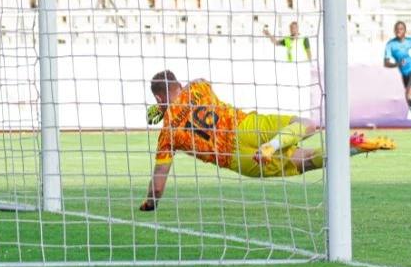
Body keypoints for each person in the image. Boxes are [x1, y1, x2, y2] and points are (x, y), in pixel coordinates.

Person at [140, 71, 396, 211]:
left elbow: (159, 185)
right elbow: (200, 80)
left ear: (159, 99)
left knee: (305, 161)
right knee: (307, 124)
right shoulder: (198, 89)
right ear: (178, 85)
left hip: (236, 159)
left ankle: (350, 150)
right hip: (245, 126)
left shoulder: (167, 134)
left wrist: (151, 203)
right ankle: (275, 144)